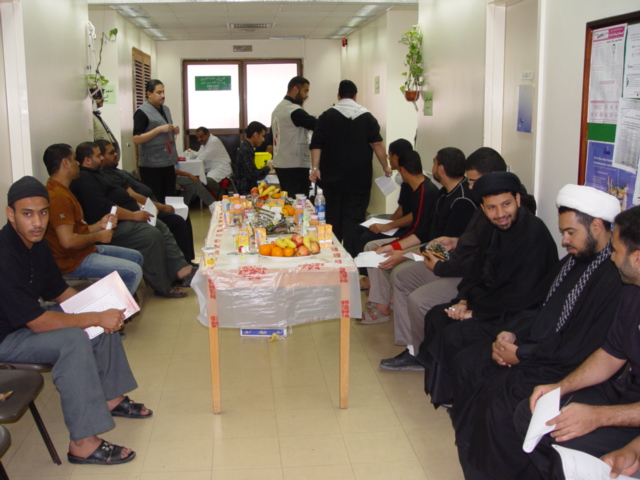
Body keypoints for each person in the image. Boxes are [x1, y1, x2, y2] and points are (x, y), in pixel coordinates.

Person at [449, 184, 623, 480]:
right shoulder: (572, 261)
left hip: (564, 363)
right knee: (472, 365)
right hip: (540, 349)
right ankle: (474, 458)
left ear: (596, 226)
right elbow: (539, 306)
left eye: (570, 232)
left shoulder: (612, 277)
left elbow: (581, 346)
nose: (564, 240)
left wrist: (523, 355)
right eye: (564, 232)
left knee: (499, 395)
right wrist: (511, 334)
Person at [0, 176, 150, 465]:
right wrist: (94, 317)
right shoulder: (4, 256)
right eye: (27, 214)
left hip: (25, 322)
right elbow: (39, 323)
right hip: (6, 338)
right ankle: (82, 443)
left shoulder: (37, 244)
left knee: (96, 316)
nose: (37, 222)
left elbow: (59, 291)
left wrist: (101, 309)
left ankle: (110, 397)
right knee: (74, 338)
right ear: (10, 214)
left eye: (43, 213)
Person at [517, 205, 640, 480]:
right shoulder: (632, 292)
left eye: (616, 251)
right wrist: (560, 388)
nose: (611, 257)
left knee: (566, 440)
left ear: (637, 259)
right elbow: (610, 354)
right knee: (530, 414)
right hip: (626, 392)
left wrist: (598, 416)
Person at [419, 171, 558, 408]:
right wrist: (463, 300)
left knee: (454, 334)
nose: (500, 214)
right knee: (436, 316)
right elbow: (476, 269)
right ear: (483, 209)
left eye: (506, 204)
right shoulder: (490, 227)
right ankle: (445, 390)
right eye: (492, 207)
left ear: (517, 200)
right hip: (489, 303)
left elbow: (522, 295)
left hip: (518, 316)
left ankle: (456, 396)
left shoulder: (534, 234)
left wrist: (476, 314)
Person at [380, 147, 516, 371]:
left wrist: (436, 264)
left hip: (460, 272)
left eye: (473, 181)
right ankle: (412, 347)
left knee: (418, 298)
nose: (470, 186)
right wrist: (454, 241)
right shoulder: (452, 196)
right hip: (451, 260)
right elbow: (462, 241)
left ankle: (422, 354)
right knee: (401, 276)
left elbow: (478, 262)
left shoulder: (472, 204)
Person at [70, 142, 193, 298]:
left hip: (129, 215)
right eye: (98, 155)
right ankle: (163, 286)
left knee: (160, 225)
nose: (101, 158)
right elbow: (106, 208)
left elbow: (122, 195)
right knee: (150, 234)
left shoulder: (99, 174)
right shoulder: (84, 179)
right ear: (87, 160)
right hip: (112, 225)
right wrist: (134, 215)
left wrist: (140, 208)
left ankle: (180, 269)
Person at [361, 149, 469, 324]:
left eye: (434, 163)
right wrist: (394, 247)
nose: (431, 167)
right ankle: (383, 304)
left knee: (398, 272)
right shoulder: (444, 193)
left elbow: (444, 247)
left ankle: (390, 311)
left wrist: (402, 255)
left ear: (441, 169)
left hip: (446, 261)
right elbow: (425, 231)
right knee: (381, 252)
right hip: (429, 246)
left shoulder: (462, 201)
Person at [42, 143, 143, 295]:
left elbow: (76, 230)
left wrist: (99, 225)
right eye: (75, 159)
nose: (78, 163)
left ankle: (119, 299)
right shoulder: (57, 197)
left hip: (83, 251)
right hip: (72, 261)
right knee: (133, 272)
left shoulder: (63, 190)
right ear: (65, 163)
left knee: (136, 257)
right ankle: (112, 307)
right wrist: (98, 236)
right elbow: (68, 241)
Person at [309, 79, 392, 256]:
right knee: (354, 219)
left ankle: (332, 255)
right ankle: (353, 259)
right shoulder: (367, 117)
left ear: (338, 96)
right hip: (358, 179)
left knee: (331, 218)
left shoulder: (326, 117)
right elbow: (377, 144)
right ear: (355, 96)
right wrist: (386, 166)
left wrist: (314, 168)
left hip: (330, 178)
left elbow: (316, 144)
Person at [96, 139, 197, 263]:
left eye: (115, 151)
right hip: (143, 209)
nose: (116, 154)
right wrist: (162, 207)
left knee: (184, 213)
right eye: (111, 153)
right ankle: (182, 264)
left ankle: (188, 259)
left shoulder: (117, 171)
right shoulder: (108, 175)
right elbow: (133, 196)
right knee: (177, 221)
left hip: (149, 204)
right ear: (101, 157)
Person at [133, 79, 179, 203]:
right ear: (149, 94)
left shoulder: (166, 109)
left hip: (168, 162)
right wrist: (158, 130)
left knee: (170, 198)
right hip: (151, 166)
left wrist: (173, 130)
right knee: (156, 200)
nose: (162, 95)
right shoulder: (141, 112)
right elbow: (136, 139)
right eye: (159, 92)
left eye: (163, 92)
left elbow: (165, 128)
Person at [271, 75, 317, 196]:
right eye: (305, 91)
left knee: (289, 199)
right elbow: (317, 125)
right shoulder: (293, 110)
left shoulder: (277, 109)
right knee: (299, 200)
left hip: (281, 163)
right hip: (295, 164)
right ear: (295, 89)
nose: (307, 95)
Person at [186, 126, 232, 198]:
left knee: (206, 181)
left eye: (201, 137)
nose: (199, 139)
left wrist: (191, 160)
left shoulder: (214, 141)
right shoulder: (204, 143)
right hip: (212, 169)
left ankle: (222, 194)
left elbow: (203, 157)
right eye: (197, 137)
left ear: (207, 134)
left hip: (221, 168)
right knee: (200, 180)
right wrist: (187, 156)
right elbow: (198, 154)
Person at [233, 121, 272, 195]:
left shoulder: (247, 148)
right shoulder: (246, 150)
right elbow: (253, 175)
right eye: (262, 136)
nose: (263, 139)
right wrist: (267, 167)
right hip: (245, 192)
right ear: (255, 134)